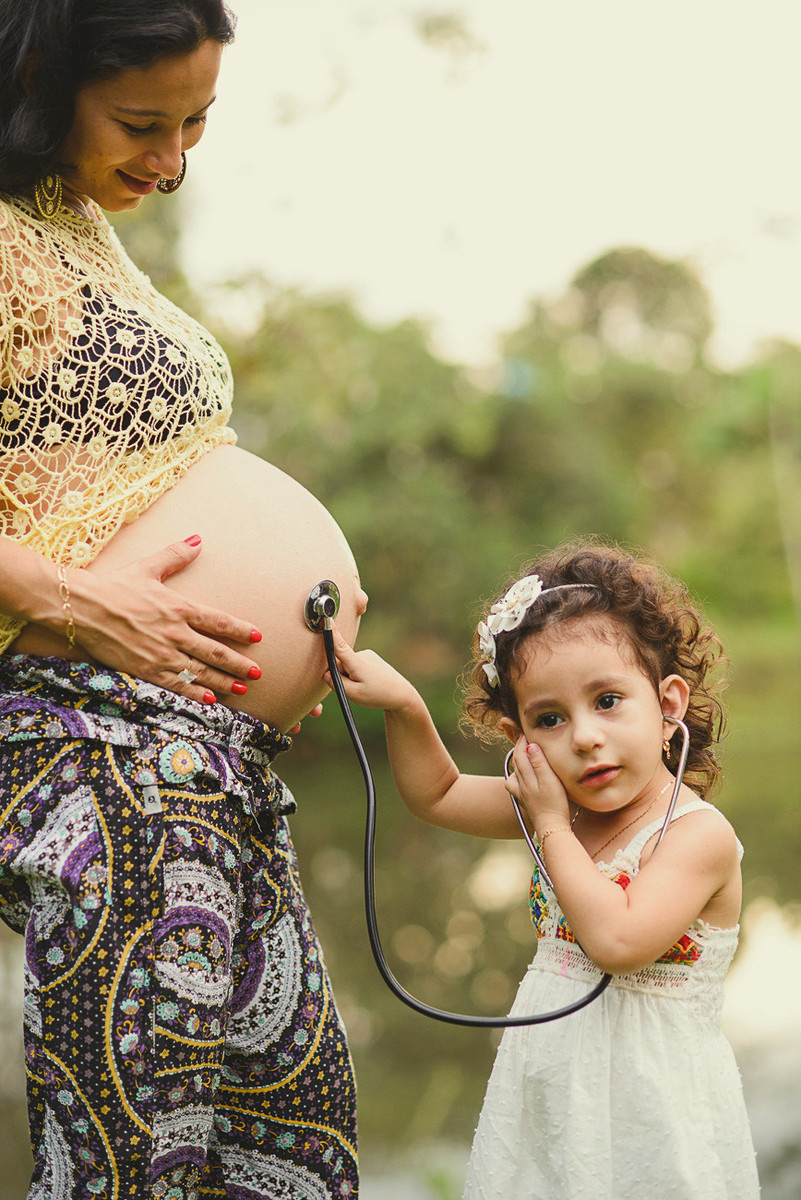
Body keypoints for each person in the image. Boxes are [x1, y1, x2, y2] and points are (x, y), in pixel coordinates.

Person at [0, 2, 363, 1196]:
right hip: (98, 752)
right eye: (142, 122)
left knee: (286, 1145)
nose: (171, 159)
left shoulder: (71, 222)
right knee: (131, 1161)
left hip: (211, 762)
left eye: (196, 121)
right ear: (42, 76)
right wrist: (83, 601)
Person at [329, 541, 760, 1199]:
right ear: (520, 738)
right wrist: (405, 707)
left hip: (653, 1109)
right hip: (555, 1095)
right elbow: (438, 794)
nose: (584, 736)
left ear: (668, 706)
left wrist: (551, 825)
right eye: (550, 719)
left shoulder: (694, 835)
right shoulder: (555, 808)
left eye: (607, 700)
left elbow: (617, 941)